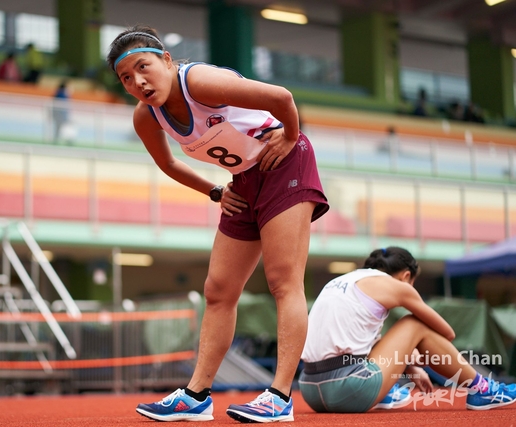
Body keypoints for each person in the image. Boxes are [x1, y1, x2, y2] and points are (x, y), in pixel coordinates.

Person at [107, 25, 329, 423]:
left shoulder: (200, 83)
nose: (138, 81)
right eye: (127, 78)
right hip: (243, 181)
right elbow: (170, 164)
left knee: (282, 280)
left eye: (144, 67)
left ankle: (279, 396)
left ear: (167, 61)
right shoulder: (147, 116)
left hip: (285, 164)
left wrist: (291, 135)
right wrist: (214, 192)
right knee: (218, 290)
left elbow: (282, 97)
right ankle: (196, 396)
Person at [298, 247, 516, 413]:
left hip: (310, 389)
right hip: (348, 389)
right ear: (405, 276)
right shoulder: (398, 287)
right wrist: (419, 355)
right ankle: (482, 389)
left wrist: (408, 363)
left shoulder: (342, 281)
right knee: (415, 323)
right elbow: (447, 333)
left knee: (378, 340)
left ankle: (382, 393)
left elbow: (357, 343)